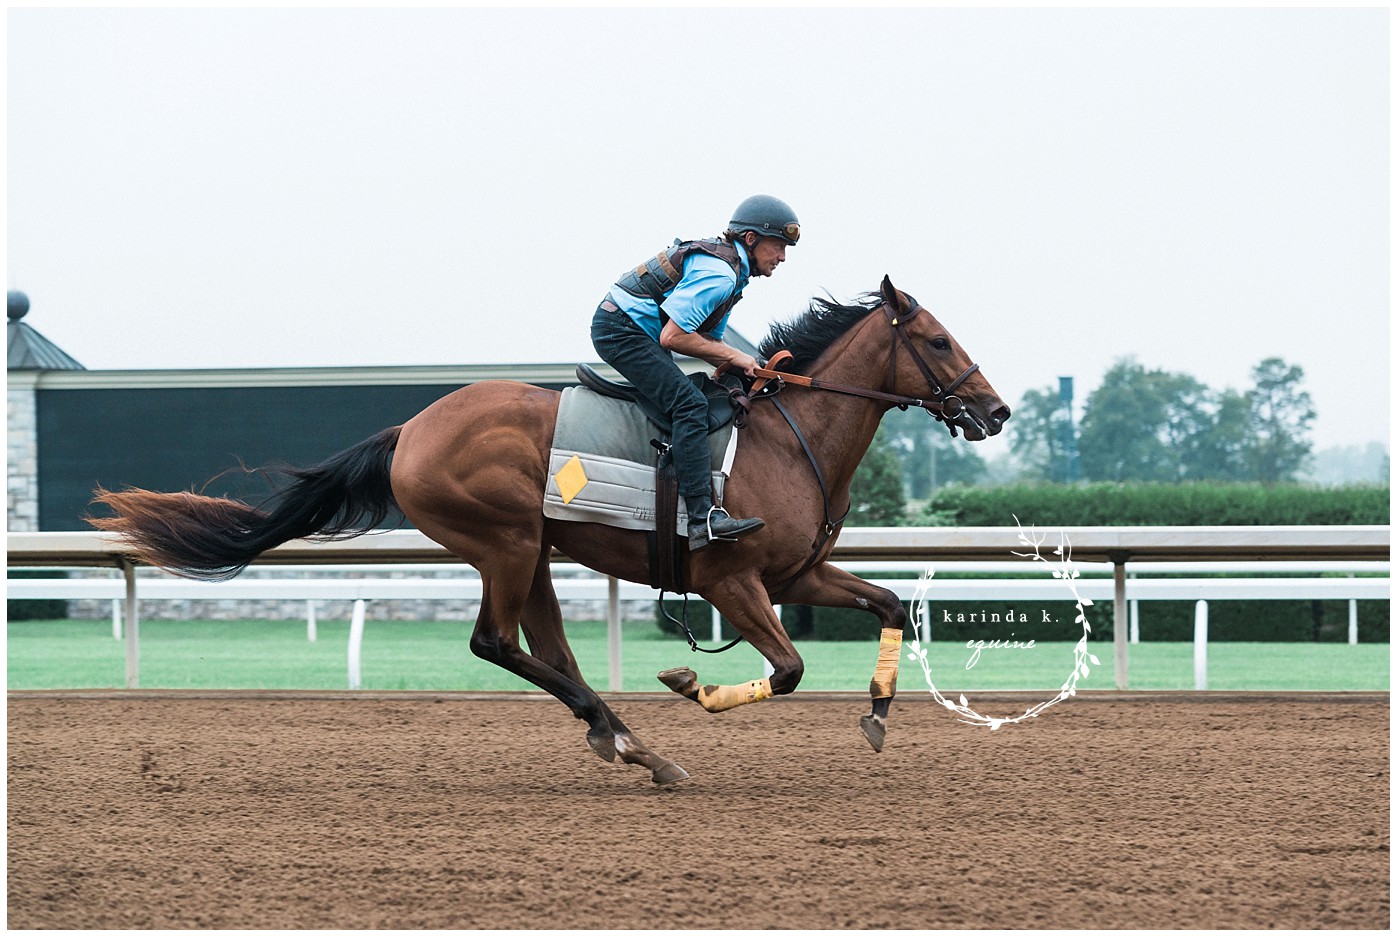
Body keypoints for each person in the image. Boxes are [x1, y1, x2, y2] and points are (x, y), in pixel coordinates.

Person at [591, 194, 800, 551]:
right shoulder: (719, 274)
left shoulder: (734, 275)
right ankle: (703, 518)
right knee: (688, 404)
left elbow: (705, 340)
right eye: (778, 246)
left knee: (703, 392)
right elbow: (673, 337)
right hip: (620, 330)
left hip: (639, 332)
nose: (782, 257)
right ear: (750, 239)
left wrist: (737, 365)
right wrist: (735, 355)